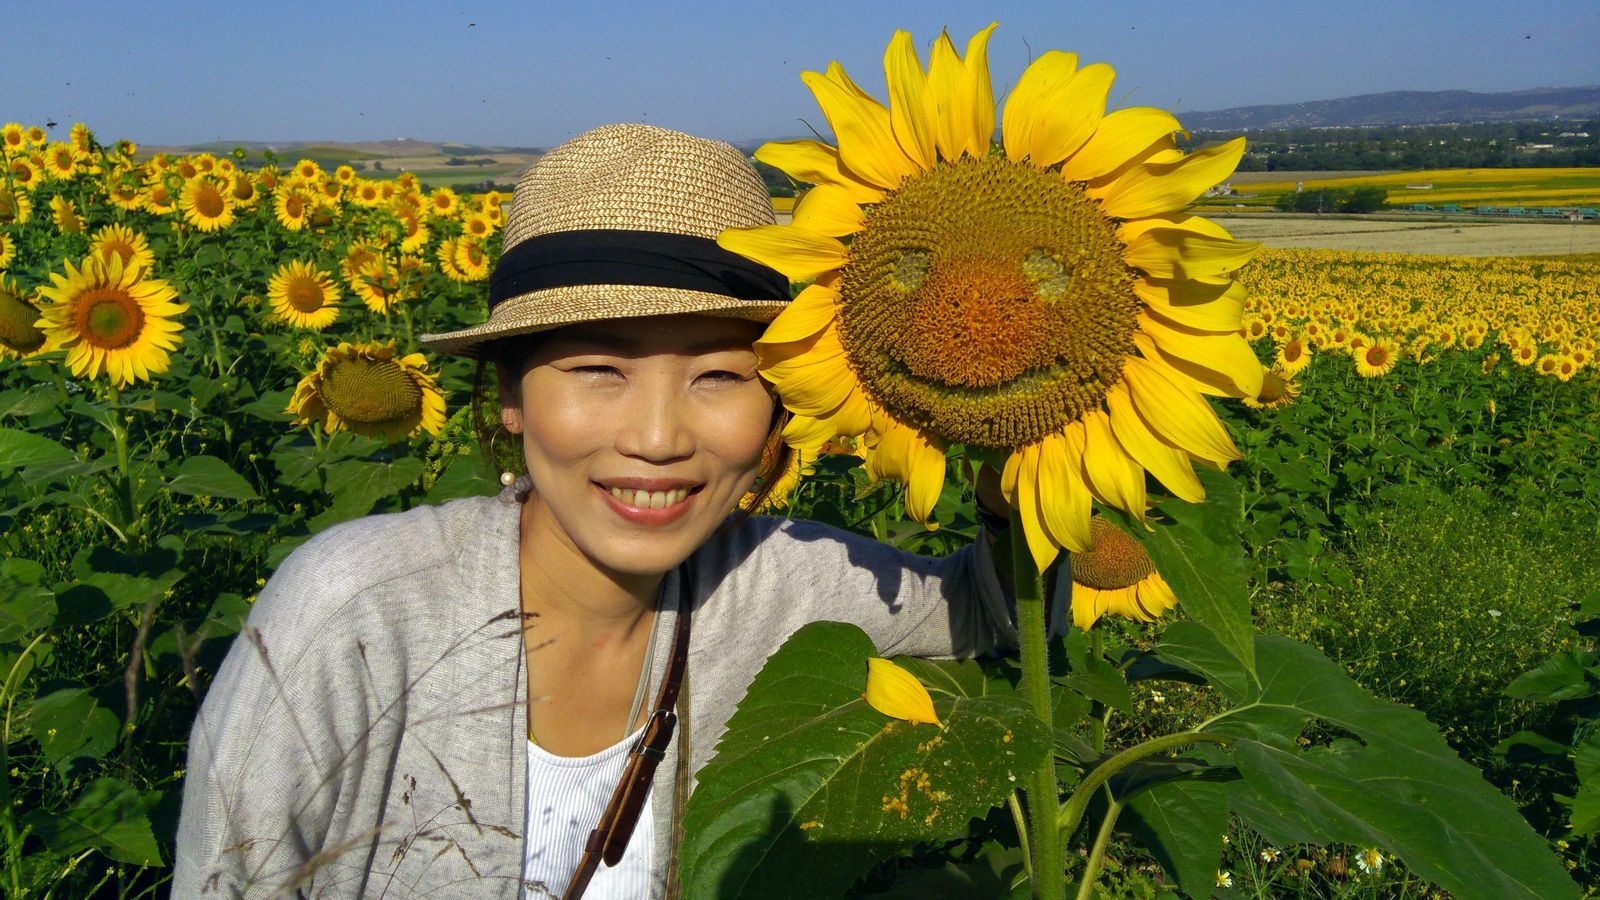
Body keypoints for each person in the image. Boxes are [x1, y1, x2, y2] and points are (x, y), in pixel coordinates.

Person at [173, 123, 1063, 899]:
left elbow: (996, 610)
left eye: (720, 377)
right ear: (512, 395)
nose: (658, 437)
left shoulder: (779, 584)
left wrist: (1010, 422)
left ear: (779, 405)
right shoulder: (358, 611)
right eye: (599, 369)